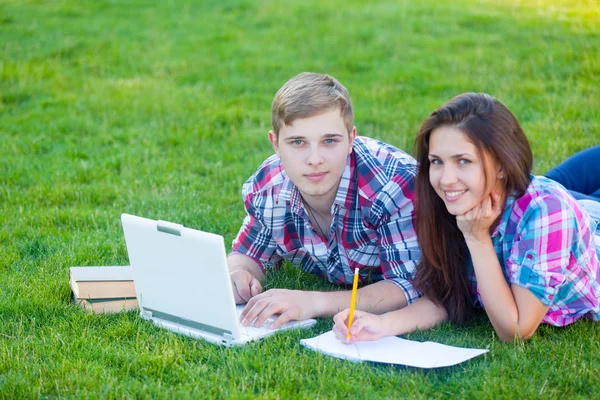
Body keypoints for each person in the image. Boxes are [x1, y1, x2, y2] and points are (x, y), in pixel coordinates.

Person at [332, 93, 600, 342]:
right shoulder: (448, 201)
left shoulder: (547, 212)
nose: (446, 180)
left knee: (558, 190)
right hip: (533, 197)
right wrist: (384, 324)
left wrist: (477, 238)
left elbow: (516, 330)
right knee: (557, 184)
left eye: (463, 161)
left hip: (582, 221)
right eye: (437, 161)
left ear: (502, 164)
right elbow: (445, 295)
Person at [228, 72, 421, 329]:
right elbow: (249, 253)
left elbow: (408, 284)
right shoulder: (269, 187)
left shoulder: (394, 185)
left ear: (352, 138)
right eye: (298, 142)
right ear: (275, 144)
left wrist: (314, 302)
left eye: (329, 140)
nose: (315, 159)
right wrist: (237, 274)